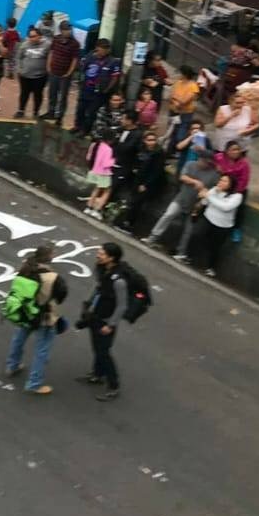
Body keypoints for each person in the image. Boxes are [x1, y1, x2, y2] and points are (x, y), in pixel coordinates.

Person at [1, 244, 64, 394]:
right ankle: (34, 383)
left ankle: (12, 366)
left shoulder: (26, 268)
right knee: (42, 349)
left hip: (24, 312)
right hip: (43, 317)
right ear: (50, 257)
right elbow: (61, 296)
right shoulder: (52, 277)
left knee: (18, 339)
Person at [147, 144, 220, 258]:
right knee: (168, 214)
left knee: (188, 230)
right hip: (181, 198)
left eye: (207, 162)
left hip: (196, 205)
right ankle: (152, 237)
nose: (204, 164)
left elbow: (214, 190)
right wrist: (195, 182)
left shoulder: (214, 174)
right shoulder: (190, 164)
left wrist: (205, 192)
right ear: (199, 158)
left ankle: (181, 252)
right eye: (203, 161)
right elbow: (183, 177)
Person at [78, 242, 127, 401]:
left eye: (102, 253)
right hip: (95, 316)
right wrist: (88, 304)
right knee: (97, 349)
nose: (98, 255)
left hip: (106, 321)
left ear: (111, 258)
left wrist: (111, 325)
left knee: (104, 353)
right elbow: (98, 288)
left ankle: (114, 385)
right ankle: (97, 374)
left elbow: (122, 306)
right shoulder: (102, 269)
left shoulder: (119, 281)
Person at [185, 173, 243, 277]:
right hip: (208, 218)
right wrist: (200, 202)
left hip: (223, 226)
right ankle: (188, 256)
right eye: (220, 180)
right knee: (196, 234)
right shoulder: (214, 190)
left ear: (231, 184)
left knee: (215, 247)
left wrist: (208, 195)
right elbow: (205, 202)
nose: (221, 182)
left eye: (224, 181)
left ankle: (210, 268)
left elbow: (225, 207)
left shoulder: (237, 196)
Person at [114, 130, 166, 234]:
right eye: (149, 140)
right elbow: (137, 161)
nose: (151, 142)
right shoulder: (142, 150)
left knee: (137, 203)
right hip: (138, 179)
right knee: (132, 201)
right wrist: (135, 169)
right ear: (144, 141)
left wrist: (146, 184)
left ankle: (129, 224)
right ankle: (125, 221)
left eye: (153, 140)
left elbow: (157, 171)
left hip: (147, 182)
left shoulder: (158, 153)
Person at [73, 39, 121, 135]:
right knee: (80, 109)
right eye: (102, 48)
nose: (104, 51)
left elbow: (115, 77)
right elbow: (82, 69)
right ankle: (78, 126)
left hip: (98, 93)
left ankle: (85, 130)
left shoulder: (112, 61)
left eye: (106, 49)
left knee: (91, 112)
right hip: (86, 89)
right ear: (97, 48)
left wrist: (107, 89)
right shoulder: (89, 56)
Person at [43, 20, 81, 123]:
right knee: (52, 93)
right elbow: (51, 52)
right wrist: (48, 66)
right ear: (61, 30)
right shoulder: (56, 39)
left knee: (63, 96)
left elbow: (74, 59)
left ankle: (60, 116)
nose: (68, 31)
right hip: (53, 71)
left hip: (65, 75)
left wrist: (69, 72)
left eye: (69, 29)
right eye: (66, 29)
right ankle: (51, 112)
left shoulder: (75, 44)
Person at [11, 24, 49, 118]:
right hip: (25, 75)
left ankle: (36, 112)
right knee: (24, 93)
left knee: (38, 95)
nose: (32, 38)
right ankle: (21, 110)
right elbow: (18, 57)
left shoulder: (47, 45)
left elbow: (50, 57)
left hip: (40, 76)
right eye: (30, 36)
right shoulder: (25, 45)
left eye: (34, 36)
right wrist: (19, 69)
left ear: (40, 36)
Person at [83, 131, 116, 219]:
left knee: (96, 189)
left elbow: (88, 157)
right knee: (107, 191)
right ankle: (97, 210)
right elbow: (106, 164)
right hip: (104, 173)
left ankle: (89, 207)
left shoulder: (95, 145)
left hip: (94, 170)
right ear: (110, 139)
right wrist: (113, 161)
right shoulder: (108, 149)